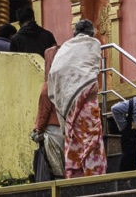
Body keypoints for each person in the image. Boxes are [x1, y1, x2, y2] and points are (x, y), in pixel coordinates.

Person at [47, 19, 107, 178]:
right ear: (91, 33)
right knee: (91, 136)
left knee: (73, 137)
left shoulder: (65, 48)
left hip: (67, 100)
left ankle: (75, 174)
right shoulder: (93, 43)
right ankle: (94, 174)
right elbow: (92, 67)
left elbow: (55, 73)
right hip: (87, 97)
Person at [31, 45, 64, 180]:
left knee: (55, 169)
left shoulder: (47, 87)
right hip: (67, 130)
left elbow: (44, 113)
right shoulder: (68, 83)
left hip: (52, 131)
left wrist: (37, 130)